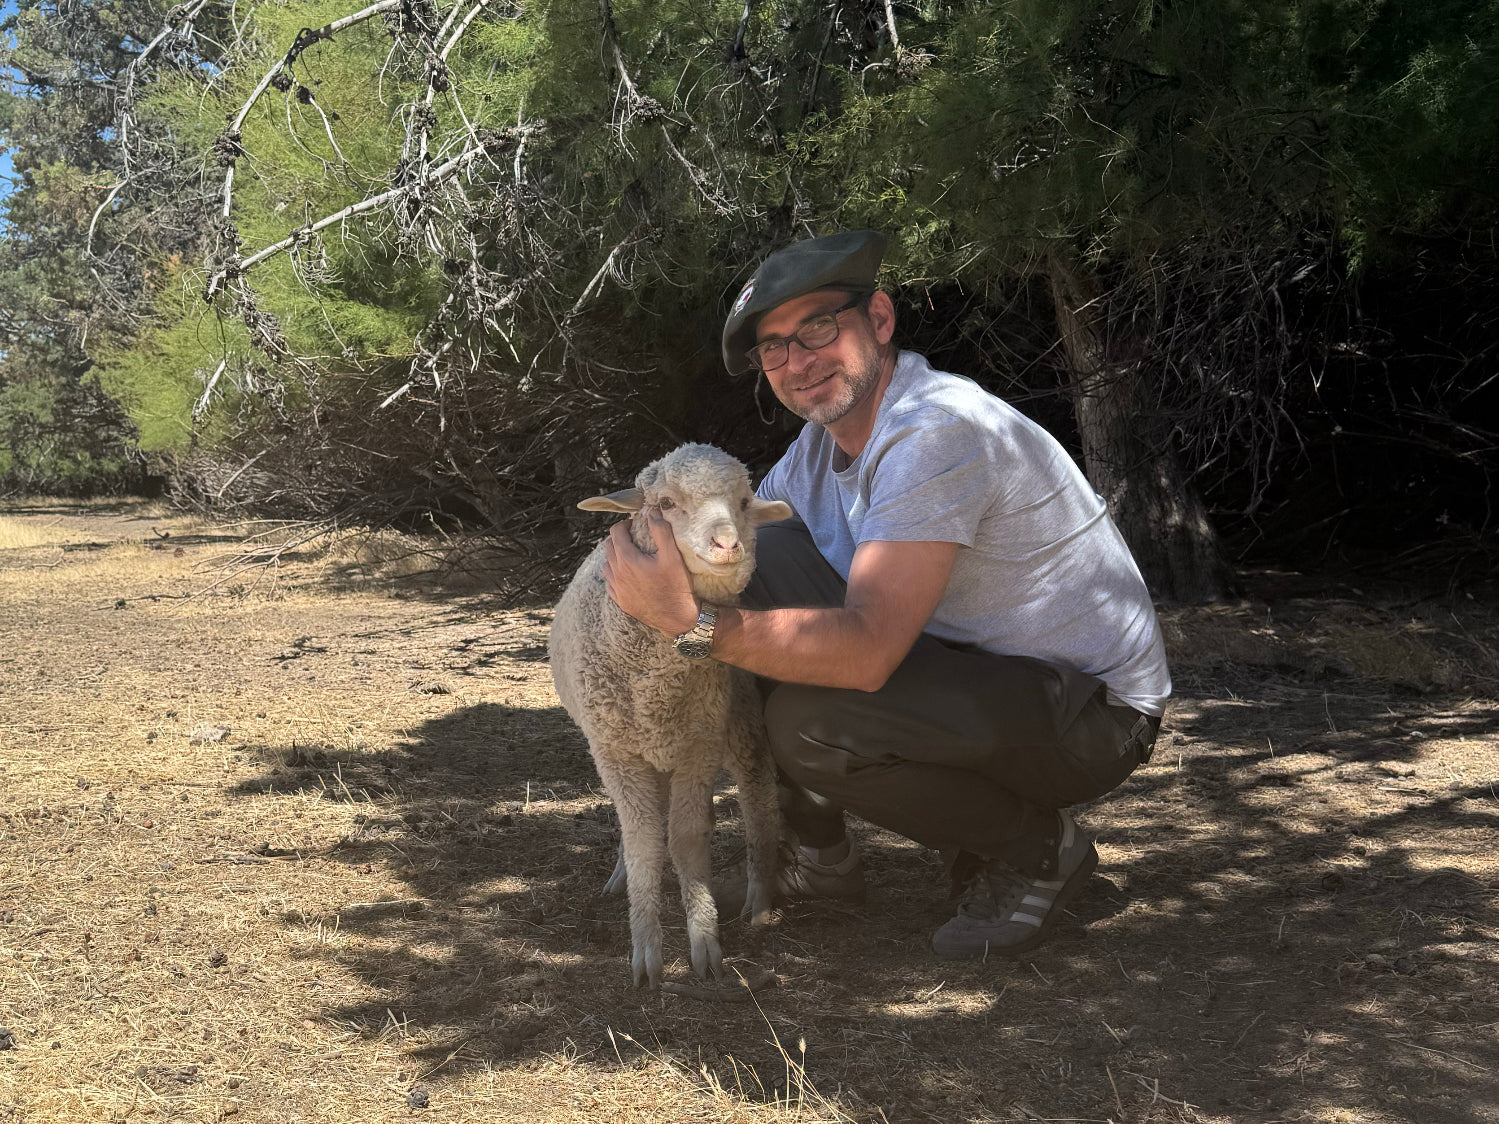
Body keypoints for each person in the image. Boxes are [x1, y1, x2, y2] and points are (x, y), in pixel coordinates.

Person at [601, 230, 1170, 959]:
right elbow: (739, 562)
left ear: (877, 320)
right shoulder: (818, 448)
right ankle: (822, 859)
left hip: (1089, 714)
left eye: (814, 328)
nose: (795, 361)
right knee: (752, 559)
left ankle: (1036, 849)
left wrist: (687, 623)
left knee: (811, 721)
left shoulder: (936, 432)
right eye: (771, 348)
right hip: (971, 680)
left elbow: (866, 652)